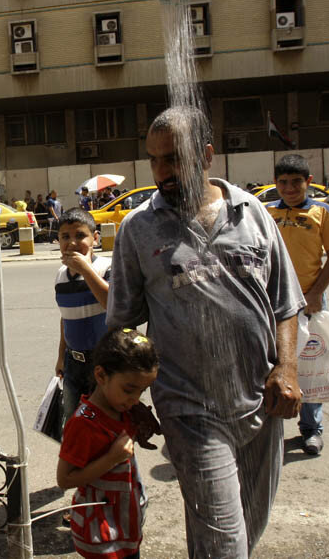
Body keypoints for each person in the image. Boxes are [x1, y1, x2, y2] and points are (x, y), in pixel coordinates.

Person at [107, 106, 305, 559]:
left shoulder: (252, 213)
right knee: (224, 544)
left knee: (246, 531)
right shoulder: (138, 228)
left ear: (207, 155)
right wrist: (125, 399)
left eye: (173, 158)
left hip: (262, 400)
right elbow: (122, 325)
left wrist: (287, 366)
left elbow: (286, 302)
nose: (162, 171)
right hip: (188, 407)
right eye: (154, 160)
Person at [266, 154, 329, 456]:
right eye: (283, 182)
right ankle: (269, 430)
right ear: (275, 183)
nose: (289, 188)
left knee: (310, 367)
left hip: (308, 300)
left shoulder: (322, 212)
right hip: (272, 301)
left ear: (308, 182)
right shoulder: (266, 212)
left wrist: (316, 293)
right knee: (273, 364)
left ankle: (312, 430)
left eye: (295, 182)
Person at [57, 327, 161, 559]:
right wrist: (110, 459)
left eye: (142, 391)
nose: (134, 399)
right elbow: (64, 479)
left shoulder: (123, 410)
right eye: (129, 390)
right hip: (102, 537)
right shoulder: (84, 424)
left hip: (125, 527)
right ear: (101, 376)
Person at [54, 208, 111, 426]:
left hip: (104, 362)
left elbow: (111, 303)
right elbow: (66, 318)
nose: (72, 243)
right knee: (74, 424)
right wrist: (61, 356)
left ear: (95, 238)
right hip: (73, 363)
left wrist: (85, 269)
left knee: (106, 424)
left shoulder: (105, 267)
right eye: (65, 237)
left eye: (80, 236)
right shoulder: (61, 275)